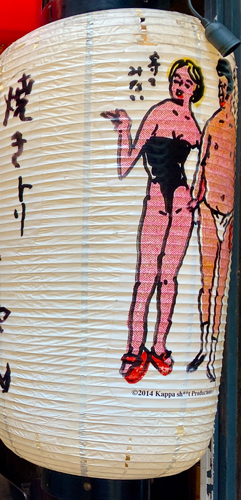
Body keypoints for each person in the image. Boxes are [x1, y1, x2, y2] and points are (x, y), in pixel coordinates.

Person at [101, 58, 204, 384]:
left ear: (195, 89)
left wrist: (198, 194)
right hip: (158, 198)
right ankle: (134, 347)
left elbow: (205, 167)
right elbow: (126, 163)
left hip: (183, 206)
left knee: (168, 279)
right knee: (146, 278)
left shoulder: (195, 125)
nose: (180, 86)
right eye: (176, 79)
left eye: (187, 83)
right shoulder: (159, 112)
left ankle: (159, 346)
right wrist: (124, 130)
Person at [188, 58, 236, 381]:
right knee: (206, 284)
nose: (221, 93)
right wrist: (193, 200)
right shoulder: (213, 124)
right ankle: (203, 345)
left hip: (229, 212)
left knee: (220, 286)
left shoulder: (235, 126)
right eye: (218, 87)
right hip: (207, 207)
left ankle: (213, 348)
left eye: (225, 87)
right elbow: (201, 166)